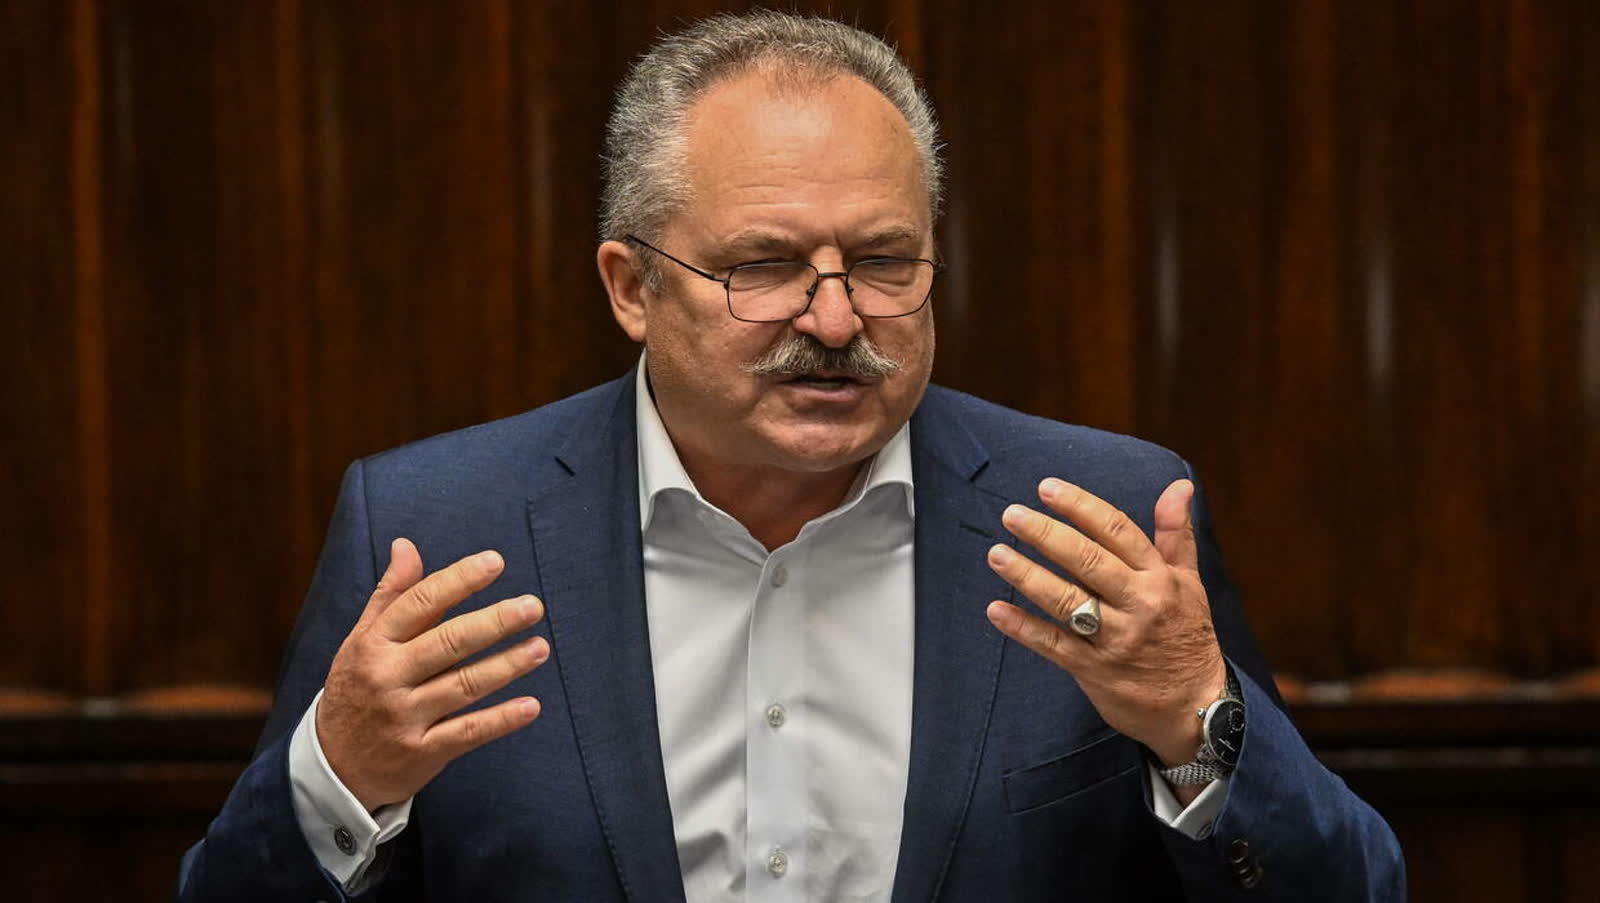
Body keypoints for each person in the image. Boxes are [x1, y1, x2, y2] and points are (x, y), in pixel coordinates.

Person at [177, 10, 1403, 902]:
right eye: (762, 267)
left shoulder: (1106, 519)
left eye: (882, 261)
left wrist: (1198, 728)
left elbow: (1350, 889)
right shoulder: (434, 527)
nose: (832, 319)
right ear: (631, 286)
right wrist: (342, 778)